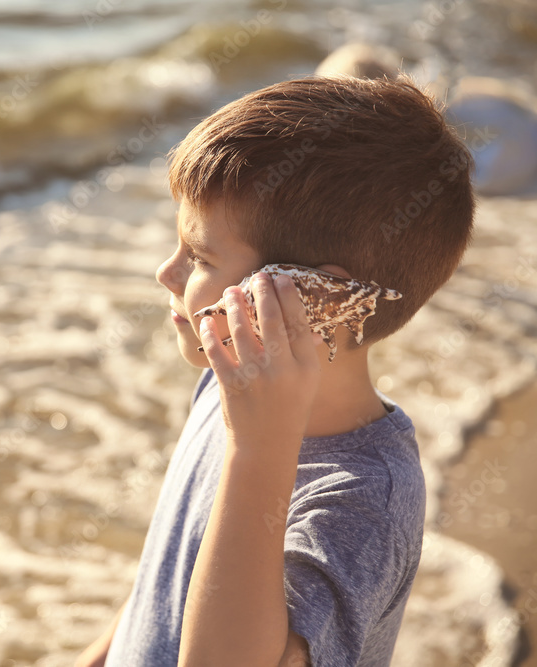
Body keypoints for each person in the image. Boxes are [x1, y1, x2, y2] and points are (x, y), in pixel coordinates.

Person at [75, 73, 475, 666]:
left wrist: (258, 450)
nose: (166, 272)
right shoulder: (229, 382)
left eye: (200, 255)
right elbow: (170, 579)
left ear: (316, 298)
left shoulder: (364, 502)